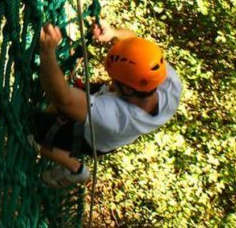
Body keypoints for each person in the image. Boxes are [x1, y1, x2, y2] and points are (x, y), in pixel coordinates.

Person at [32, 21, 183, 188]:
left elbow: (64, 99)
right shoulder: (168, 82)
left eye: (114, 80)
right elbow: (134, 43)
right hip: (109, 101)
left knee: (33, 133)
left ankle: (75, 169)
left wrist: (47, 51)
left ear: (127, 89)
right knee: (55, 105)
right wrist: (114, 33)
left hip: (89, 137)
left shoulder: (117, 118)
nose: (111, 83)